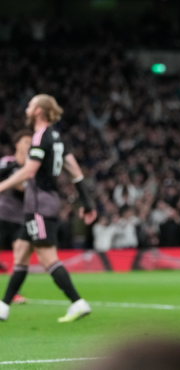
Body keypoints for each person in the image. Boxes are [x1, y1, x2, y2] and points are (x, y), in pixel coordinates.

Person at [0, 95, 96, 322]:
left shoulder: (40, 136)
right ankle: (3, 307)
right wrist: (87, 202)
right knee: (21, 253)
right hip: (43, 202)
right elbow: (75, 171)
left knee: (46, 257)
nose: (26, 109)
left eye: (30, 105)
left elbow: (29, 171)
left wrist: (1, 185)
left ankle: (78, 302)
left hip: (38, 204)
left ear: (38, 111)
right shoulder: (57, 138)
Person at [0, 130, 33, 304]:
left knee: (20, 256)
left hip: (20, 218)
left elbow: (23, 188)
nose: (28, 145)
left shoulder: (31, 167)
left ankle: (14, 292)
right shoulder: (7, 162)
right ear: (17, 144)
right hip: (2, 215)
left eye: (30, 142)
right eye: (25, 141)